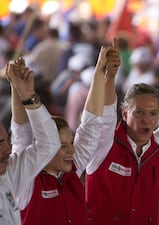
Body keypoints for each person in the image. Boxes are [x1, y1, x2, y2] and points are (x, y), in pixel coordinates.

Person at [9, 41, 120, 225]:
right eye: (62, 146)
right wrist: (17, 88)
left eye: (70, 143)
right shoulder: (26, 181)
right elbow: (21, 134)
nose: (71, 151)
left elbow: (91, 124)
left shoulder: (72, 169)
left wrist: (102, 70)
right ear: (44, 146)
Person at [1, 58, 61, 225]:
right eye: (0, 143)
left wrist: (23, 92)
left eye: (6, 141)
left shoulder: (8, 174)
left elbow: (44, 144)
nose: (7, 148)